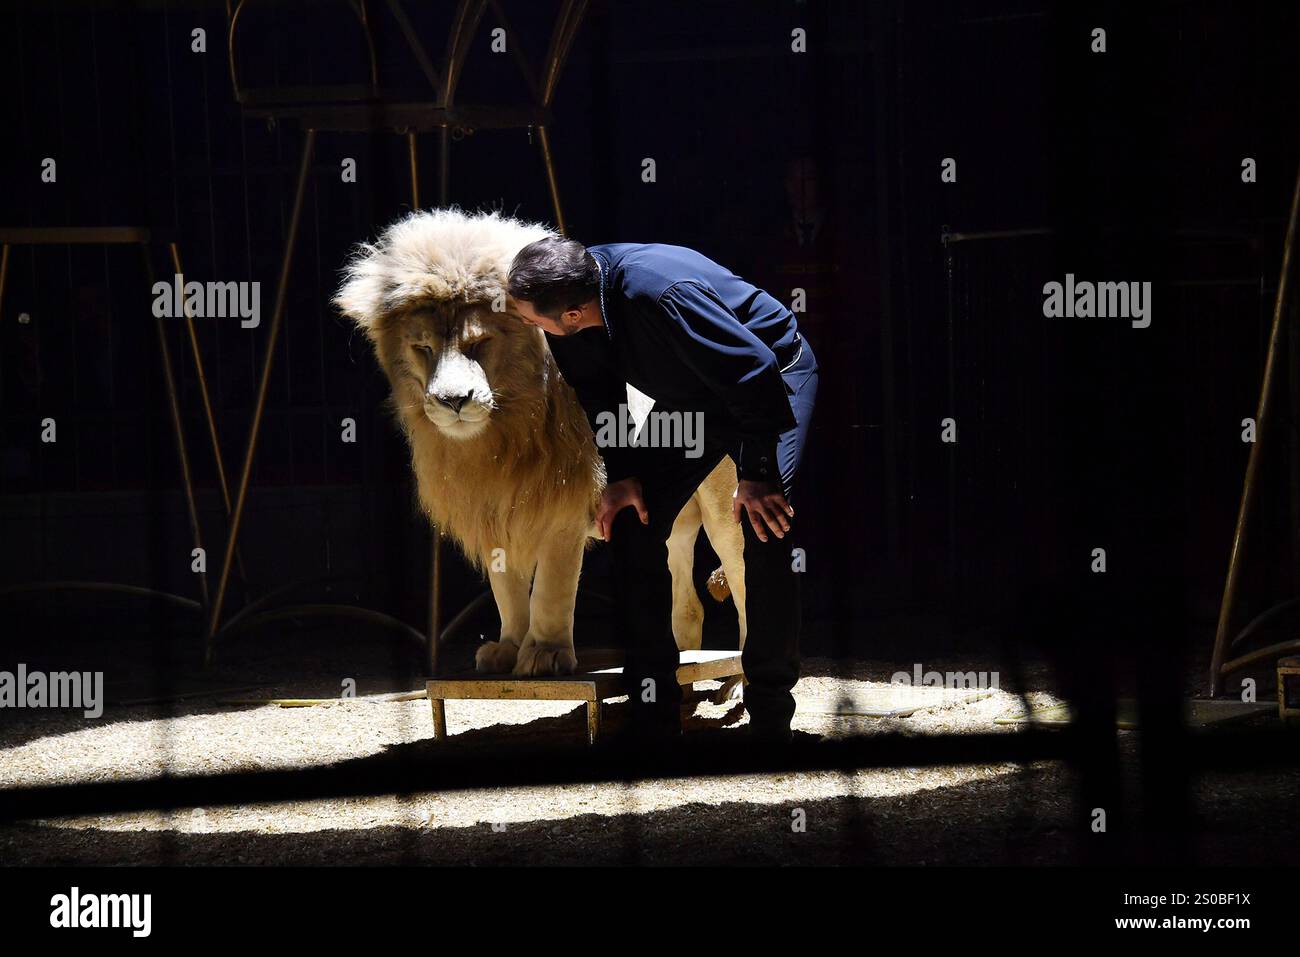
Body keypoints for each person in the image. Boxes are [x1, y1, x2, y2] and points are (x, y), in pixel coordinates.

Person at [507, 238, 818, 745]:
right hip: (695, 397)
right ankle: (653, 713)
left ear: (570, 313)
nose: (525, 324)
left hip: (770, 380)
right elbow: (599, 392)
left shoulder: (658, 294)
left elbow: (753, 367)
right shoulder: (570, 311)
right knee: (632, 520)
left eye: (531, 319)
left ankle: (769, 715)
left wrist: (757, 473)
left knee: (764, 525)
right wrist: (624, 474)